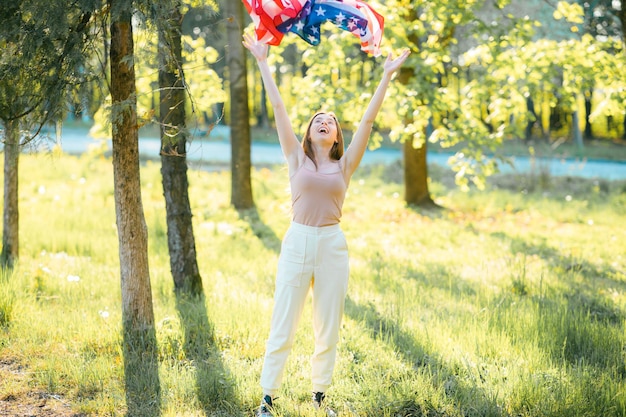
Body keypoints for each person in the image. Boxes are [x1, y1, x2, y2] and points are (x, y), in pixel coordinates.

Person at [242, 32, 410, 417]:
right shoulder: (295, 160)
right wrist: (263, 63)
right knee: (284, 320)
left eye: (330, 121)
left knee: (327, 326)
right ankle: (267, 399)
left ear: (336, 136)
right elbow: (280, 109)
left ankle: (320, 398)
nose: (324, 122)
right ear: (308, 133)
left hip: (332, 245)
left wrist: (386, 76)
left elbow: (368, 121)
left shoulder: (344, 165)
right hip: (298, 241)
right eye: (318, 120)